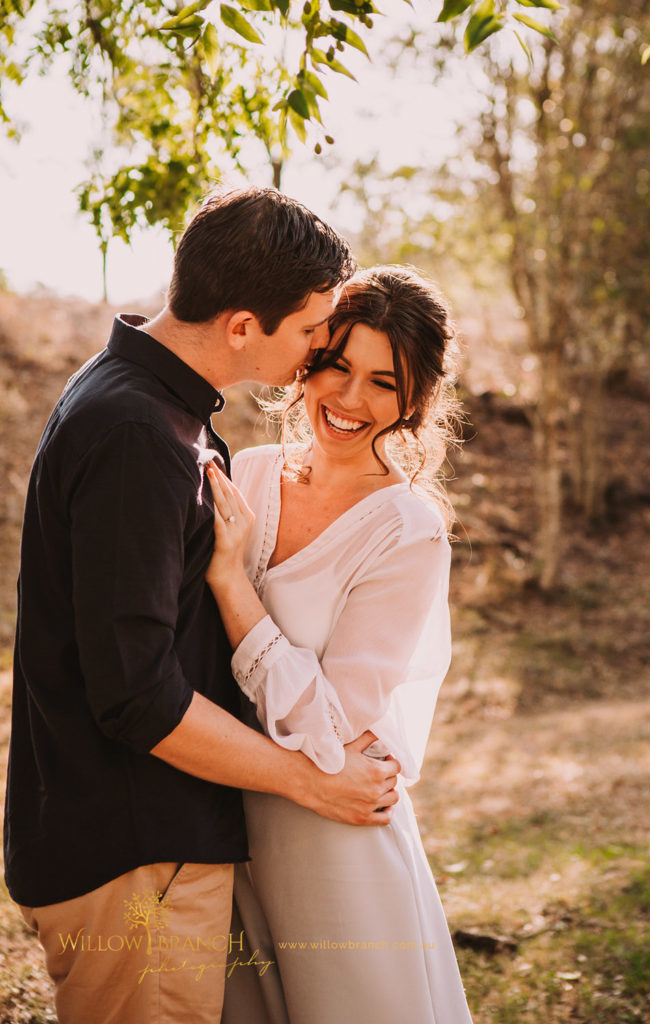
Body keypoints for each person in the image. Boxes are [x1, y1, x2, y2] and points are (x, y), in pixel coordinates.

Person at [3, 187, 401, 1024]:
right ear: (242, 326)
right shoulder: (136, 434)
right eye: (307, 331)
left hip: (149, 847)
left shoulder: (151, 408)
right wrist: (312, 783)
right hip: (133, 859)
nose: (314, 353)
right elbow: (137, 699)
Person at [206, 266, 473, 1023]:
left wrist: (232, 586)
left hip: (332, 839)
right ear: (308, 364)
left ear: (415, 401)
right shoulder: (245, 474)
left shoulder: (407, 531)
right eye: (338, 366)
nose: (351, 399)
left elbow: (330, 726)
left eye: (384, 383)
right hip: (220, 825)